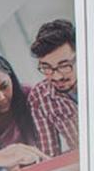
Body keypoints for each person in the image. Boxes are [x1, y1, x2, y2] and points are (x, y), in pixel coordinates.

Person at [26, 19, 79, 157]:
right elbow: (49, 155)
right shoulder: (39, 95)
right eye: (46, 67)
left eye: (64, 66)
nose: (56, 77)